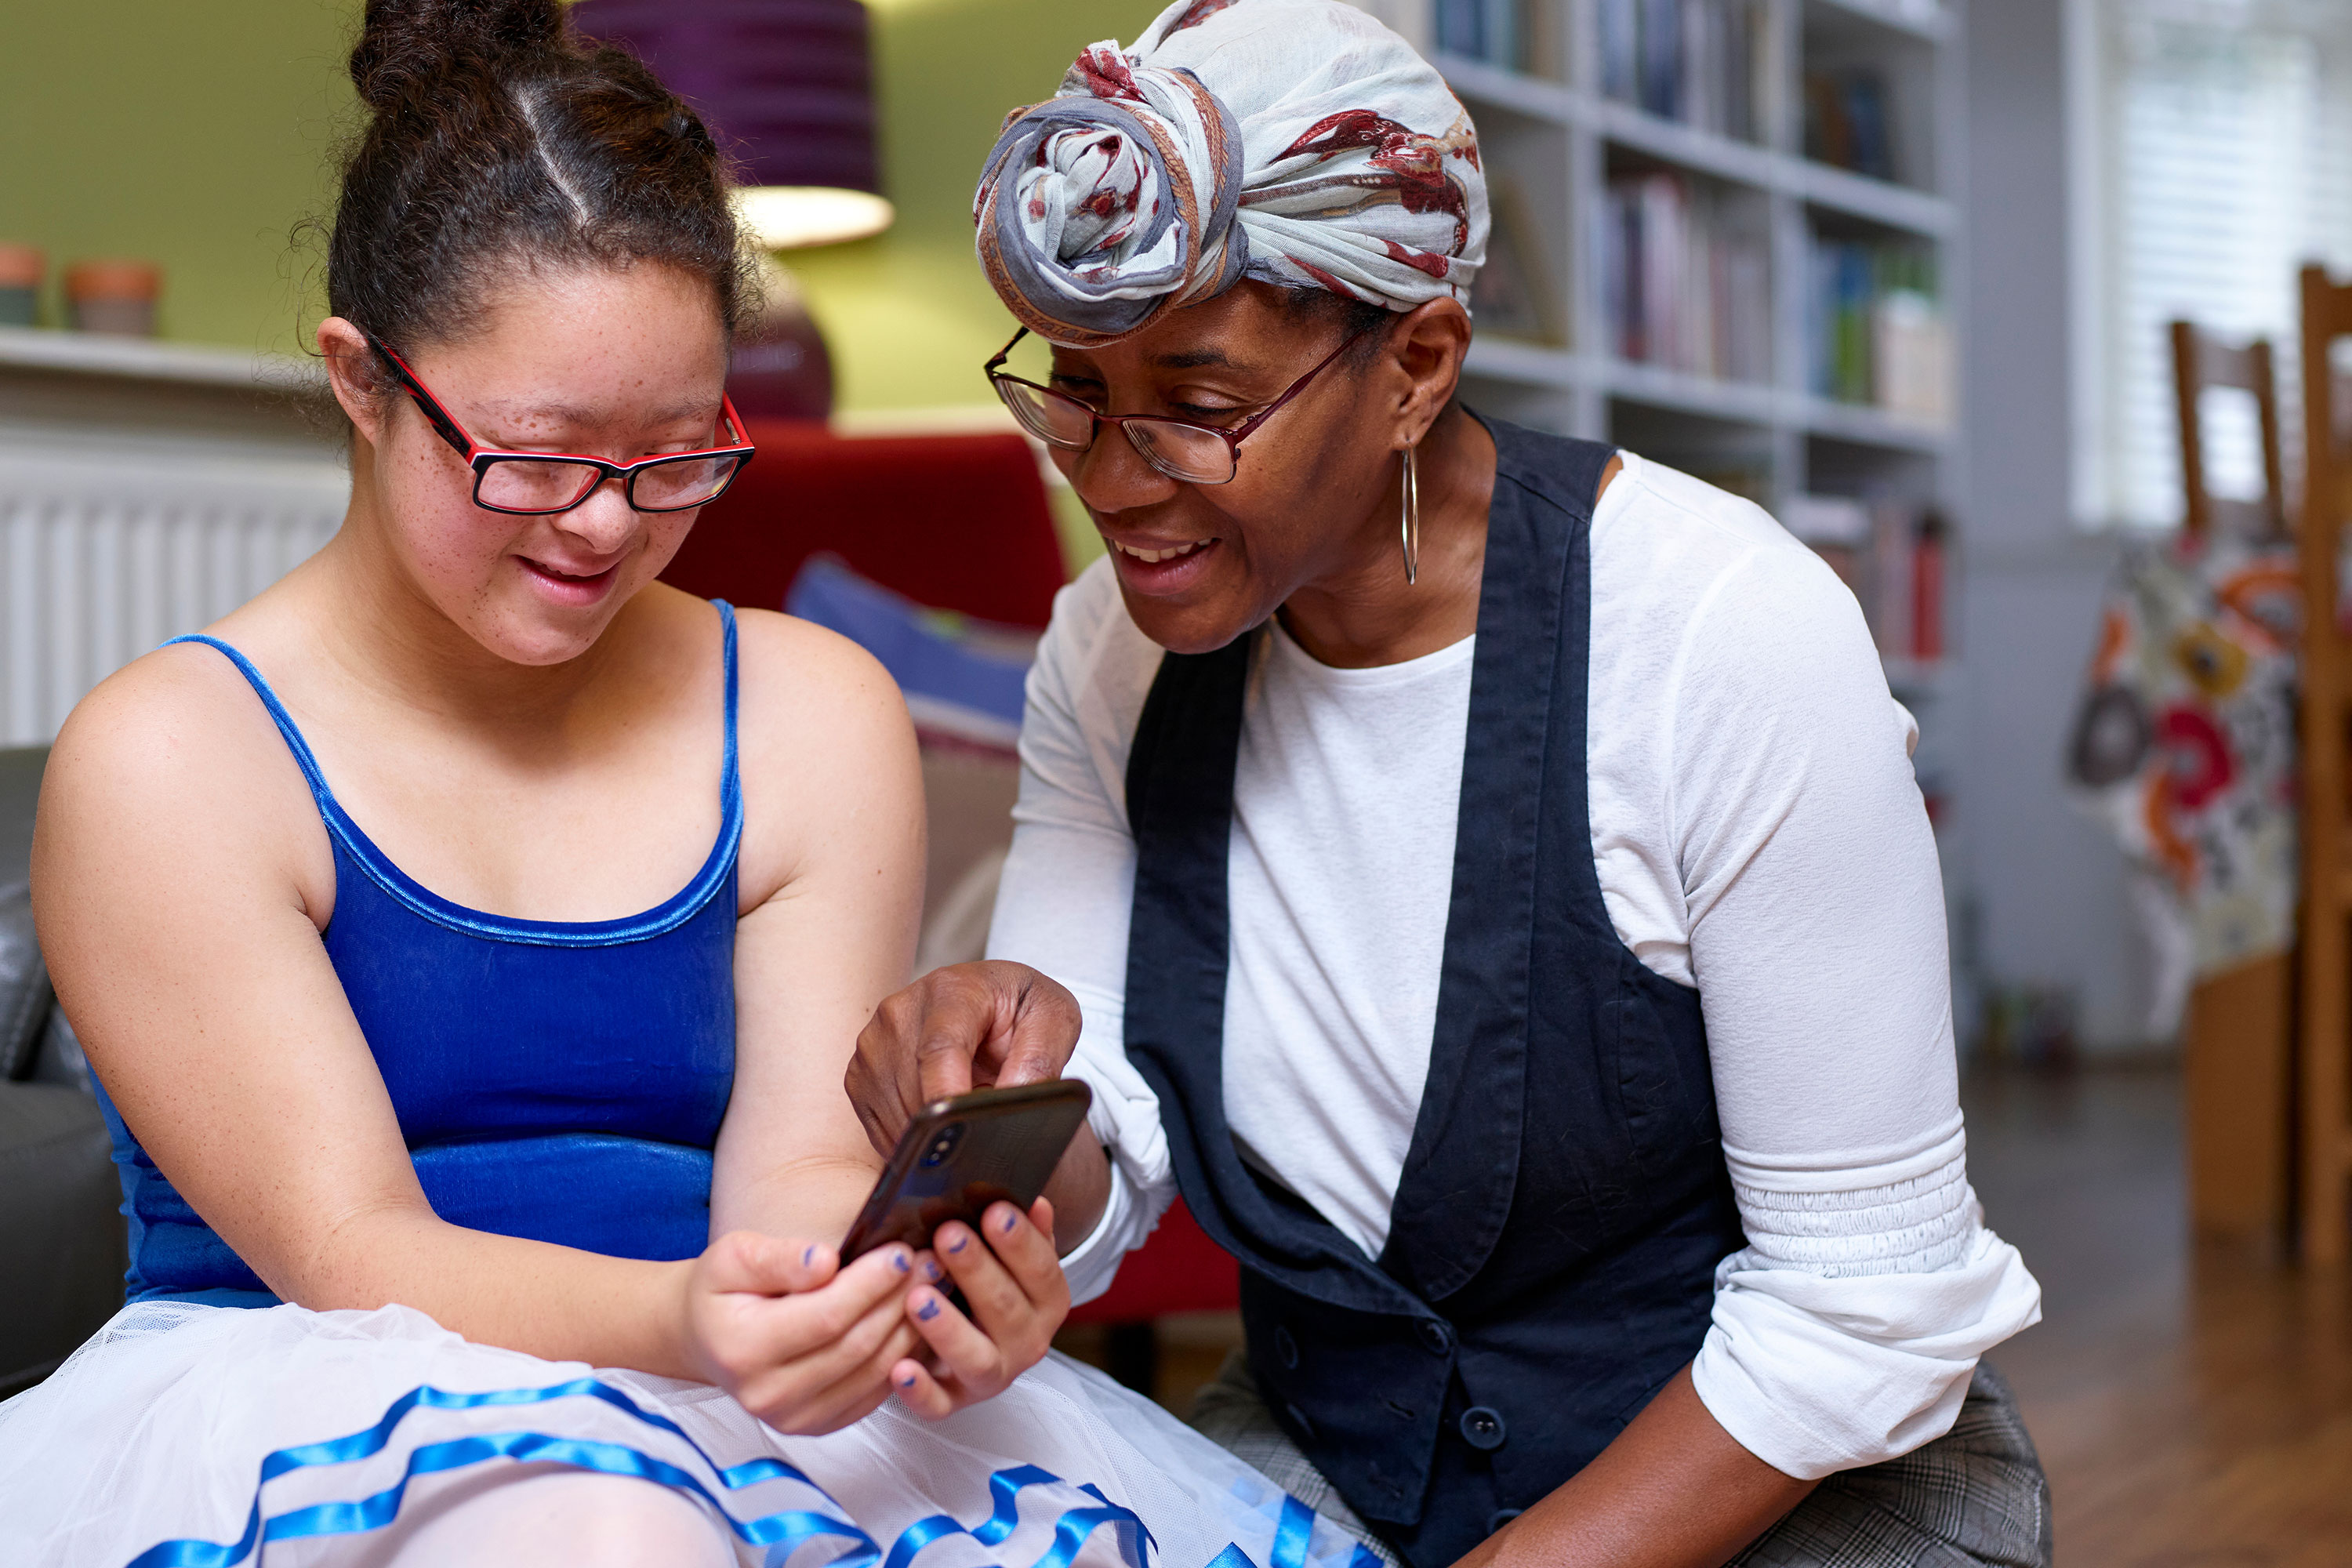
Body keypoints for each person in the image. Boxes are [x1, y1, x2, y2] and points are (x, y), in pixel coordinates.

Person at [0, 5, 1382, 1565]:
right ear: (361, 381)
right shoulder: (175, 756)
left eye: (673, 457)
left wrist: (887, 1303)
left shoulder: (805, 713)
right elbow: (351, 1251)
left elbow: (796, 1175)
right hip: (313, 1401)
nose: (604, 524)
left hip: (718, 1382)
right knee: (608, 1527)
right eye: (534, 455)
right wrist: (686, 1324)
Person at [847, 3, 2051, 1566]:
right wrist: (1002, 1126)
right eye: (1076, 387)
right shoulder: (1107, 654)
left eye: (1198, 409)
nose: (1110, 479)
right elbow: (1106, 1156)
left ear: (1416, 364)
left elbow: (1864, 1302)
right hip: (1343, 1446)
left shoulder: (1721, 633)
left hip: (1789, 1478)